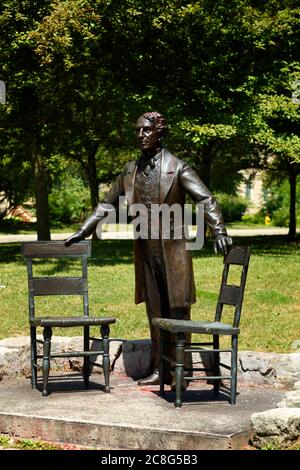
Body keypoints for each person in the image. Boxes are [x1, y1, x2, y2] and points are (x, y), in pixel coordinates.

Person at [65, 111, 232, 387]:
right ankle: (160, 368)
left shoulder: (178, 168)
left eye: (146, 130)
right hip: (145, 250)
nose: (140, 135)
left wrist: (219, 230)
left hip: (173, 251)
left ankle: (182, 370)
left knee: (177, 310)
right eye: (137, 131)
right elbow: (107, 204)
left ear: (160, 133)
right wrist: (85, 230)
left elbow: (206, 199)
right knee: (155, 310)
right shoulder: (130, 171)